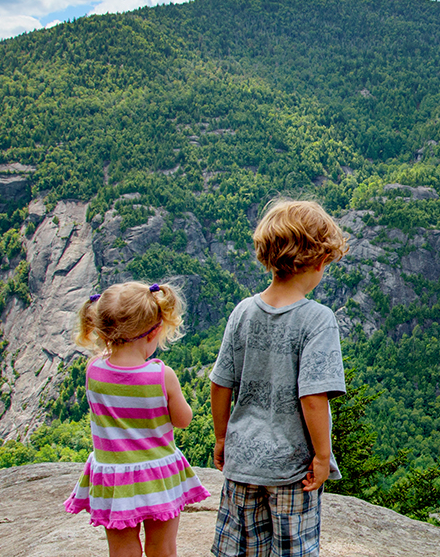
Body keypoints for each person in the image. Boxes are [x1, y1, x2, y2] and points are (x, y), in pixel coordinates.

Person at [209, 199, 348, 557]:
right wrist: (322, 455)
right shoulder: (317, 319)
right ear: (319, 261)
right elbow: (313, 396)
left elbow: (221, 381)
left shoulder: (243, 311)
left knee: (239, 550)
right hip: (291, 469)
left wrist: (222, 437)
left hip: (242, 462)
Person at [63, 281, 211, 557]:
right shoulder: (161, 375)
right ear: (154, 331)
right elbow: (182, 420)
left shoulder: (93, 369)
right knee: (162, 548)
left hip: (114, 477)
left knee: (121, 550)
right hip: (156, 474)